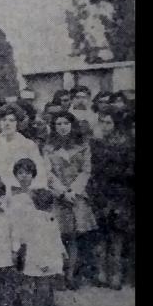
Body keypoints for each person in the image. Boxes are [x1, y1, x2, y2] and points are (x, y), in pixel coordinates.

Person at [43, 112, 97, 290]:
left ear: (72, 125)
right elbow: (48, 172)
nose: (62, 127)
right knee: (57, 236)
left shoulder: (82, 145)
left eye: (66, 123)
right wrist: (62, 191)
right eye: (58, 124)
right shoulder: (48, 147)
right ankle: (57, 274)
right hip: (58, 196)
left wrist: (74, 190)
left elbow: (86, 170)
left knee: (73, 236)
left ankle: (70, 275)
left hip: (77, 196)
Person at [88, 106, 134, 290]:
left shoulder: (126, 144)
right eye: (102, 122)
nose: (105, 126)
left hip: (120, 194)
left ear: (116, 124)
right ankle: (101, 273)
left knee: (117, 238)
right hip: (100, 193)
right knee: (101, 236)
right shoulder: (95, 143)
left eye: (109, 122)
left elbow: (129, 171)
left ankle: (116, 275)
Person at [17, 189, 67, 306]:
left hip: (52, 257)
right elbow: (35, 244)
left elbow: (56, 237)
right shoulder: (34, 221)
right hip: (39, 260)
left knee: (50, 285)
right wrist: (42, 263)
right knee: (42, 286)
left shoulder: (51, 219)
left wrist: (62, 251)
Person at [0, 104, 47, 193]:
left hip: (23, 194)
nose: (7, 123)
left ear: (17, 123)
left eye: (11, 120)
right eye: (3, 120)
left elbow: (40, 174)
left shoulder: (28, 145)